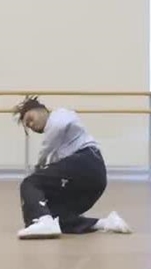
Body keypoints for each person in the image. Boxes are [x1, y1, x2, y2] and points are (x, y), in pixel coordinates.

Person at [13, 95, 131, 239]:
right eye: (28, 126)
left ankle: (42, 220)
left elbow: (57, 128)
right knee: (55, 215)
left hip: (87, 162)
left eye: (30, 119)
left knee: (30, 183)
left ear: (41, 109)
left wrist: (39, 164)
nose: (31, 125)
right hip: (90, 181)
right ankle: (105, 223)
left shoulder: (59, 115)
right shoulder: (57, 147)